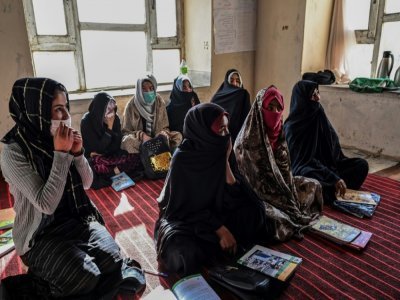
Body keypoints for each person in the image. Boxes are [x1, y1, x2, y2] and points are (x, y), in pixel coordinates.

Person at [0, 78, 145, 298]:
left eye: (66, 108)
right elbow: (46, 205)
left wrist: (77, 154)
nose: (65, 117)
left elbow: (87, 182)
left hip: (77, 219)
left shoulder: (58, 137)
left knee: (112, 260)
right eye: (58, 110)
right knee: (86, 277)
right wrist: (60, 155)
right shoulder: (13, 152)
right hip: (41, 235)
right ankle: (38, 281)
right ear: (35, 110)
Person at [155, 103, 268, 276]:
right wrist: (220, 229)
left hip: (218, 211)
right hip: (189, 220)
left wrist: (224, 161)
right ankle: (221, 243)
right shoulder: (183, 159)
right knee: (182, 252)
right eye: (221, 130)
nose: (226, 135)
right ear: (202, 131)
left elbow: (237, 194)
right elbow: (184, 209)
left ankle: (218, 245)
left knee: (256, 212)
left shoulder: (220, 148)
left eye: (227, 129)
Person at [234, 86, 323, 241]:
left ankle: (291, 214)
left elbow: (286, 172)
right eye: (270, 107)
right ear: (260, 109)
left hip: (282, 188)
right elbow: (256, 185)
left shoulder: (278, 134)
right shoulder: (247, 142)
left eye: (278, 108)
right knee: (272, 220)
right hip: (258, 196)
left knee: (313, 185)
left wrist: (290, 197)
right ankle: (289, 218)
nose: (275, 113)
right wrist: (287, 203)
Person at [283, 80, 369, 204]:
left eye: (318, 93)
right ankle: (330, 190)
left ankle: (332, 189)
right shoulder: (293, 127)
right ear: (303, 99)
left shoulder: (319, 115)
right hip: (309, 169)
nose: (318, 98)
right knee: (307, 176)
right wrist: (332, 177)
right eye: (313, 95)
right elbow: (303, 162)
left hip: (329, 168)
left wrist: (335, 173)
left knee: (361, 165)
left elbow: (334, 151)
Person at [81, 92, 143, 189]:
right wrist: (109, 129)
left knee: (135, 156)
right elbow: (97, 148)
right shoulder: (86, 121)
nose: (112, 113)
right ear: (100, 108)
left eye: (113, 109)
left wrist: (107, 150)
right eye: (108, 109)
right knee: (95, 164)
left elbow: (117, 145)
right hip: (95, 158)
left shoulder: (116, 119)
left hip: (111, 155)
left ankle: (112, 172)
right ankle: (115, 171)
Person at [121, 75, 182, 154]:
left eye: (151, 88)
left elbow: (165, 126)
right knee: (127, 141)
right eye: (144, 89)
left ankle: (153, 152)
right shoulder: (131, 105)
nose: (148, 92)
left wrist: (162, 133)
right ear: (138, 89)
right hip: (141, 141)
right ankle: (151, 153)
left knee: (178, 136)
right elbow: (125, 132)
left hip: (157, 139)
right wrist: (142, 136)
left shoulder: (159, 101)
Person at [211, 69, 251, 141]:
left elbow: (247, 120)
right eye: (231, 80)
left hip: (238, 137)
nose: (235, 83)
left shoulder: (243, 94)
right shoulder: (217, 97)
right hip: (220, 136)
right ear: (227, 82)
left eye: (238, 81)